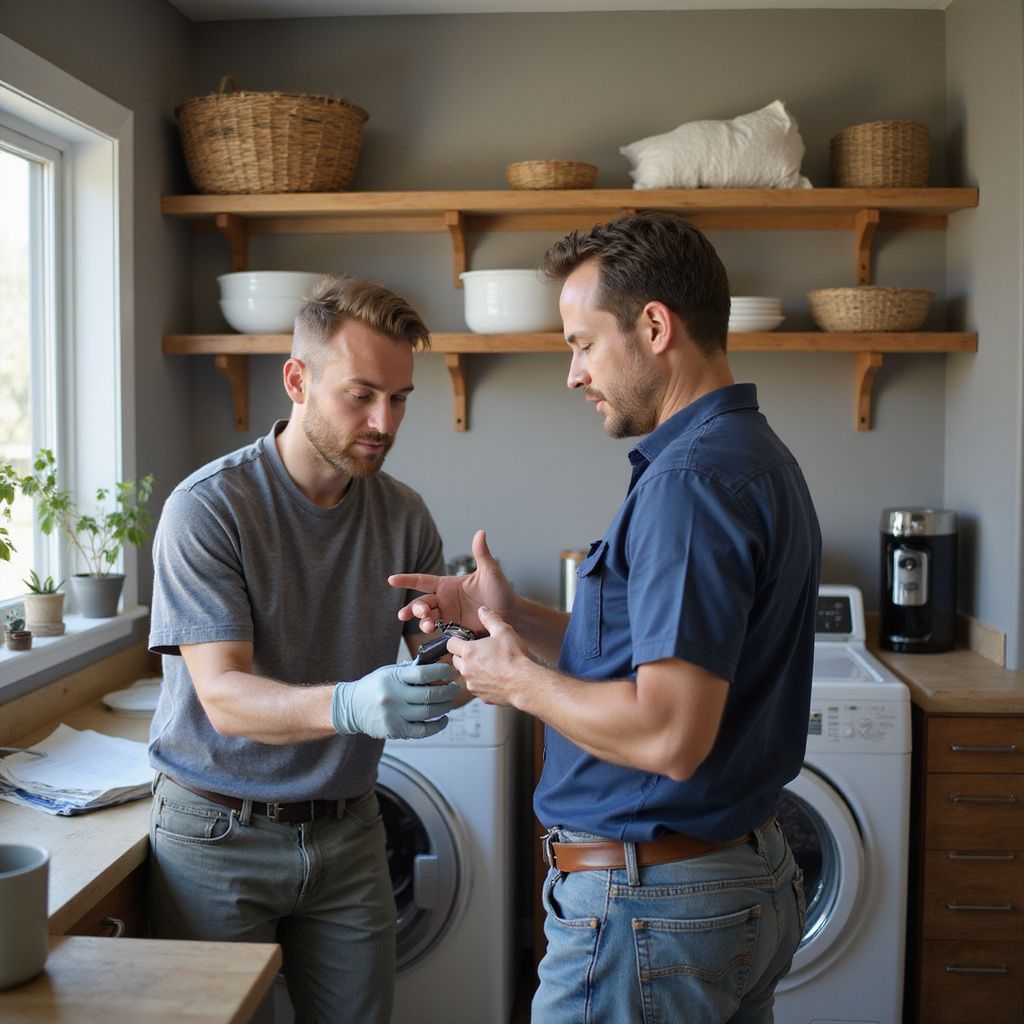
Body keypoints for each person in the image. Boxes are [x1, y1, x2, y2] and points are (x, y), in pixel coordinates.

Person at [389, 214, 822, 1023]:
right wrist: (511, 617)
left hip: (653, 909)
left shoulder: (689, 484)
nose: (573, 374)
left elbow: (668, 735)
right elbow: (651, 649)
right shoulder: (751, 455)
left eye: (583, 344)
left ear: (655, 326)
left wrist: (516, 682)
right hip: (728, 882)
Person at [147, 273, 461, 1024]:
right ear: (297, 379)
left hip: (350, 828)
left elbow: (432, 650)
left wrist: (463, 648)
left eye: (400, 398)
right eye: (361, 394)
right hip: (217, 834)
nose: (384, 420)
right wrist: (353, 703)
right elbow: (223, 697)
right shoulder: (208, 510)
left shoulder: (404, 514)